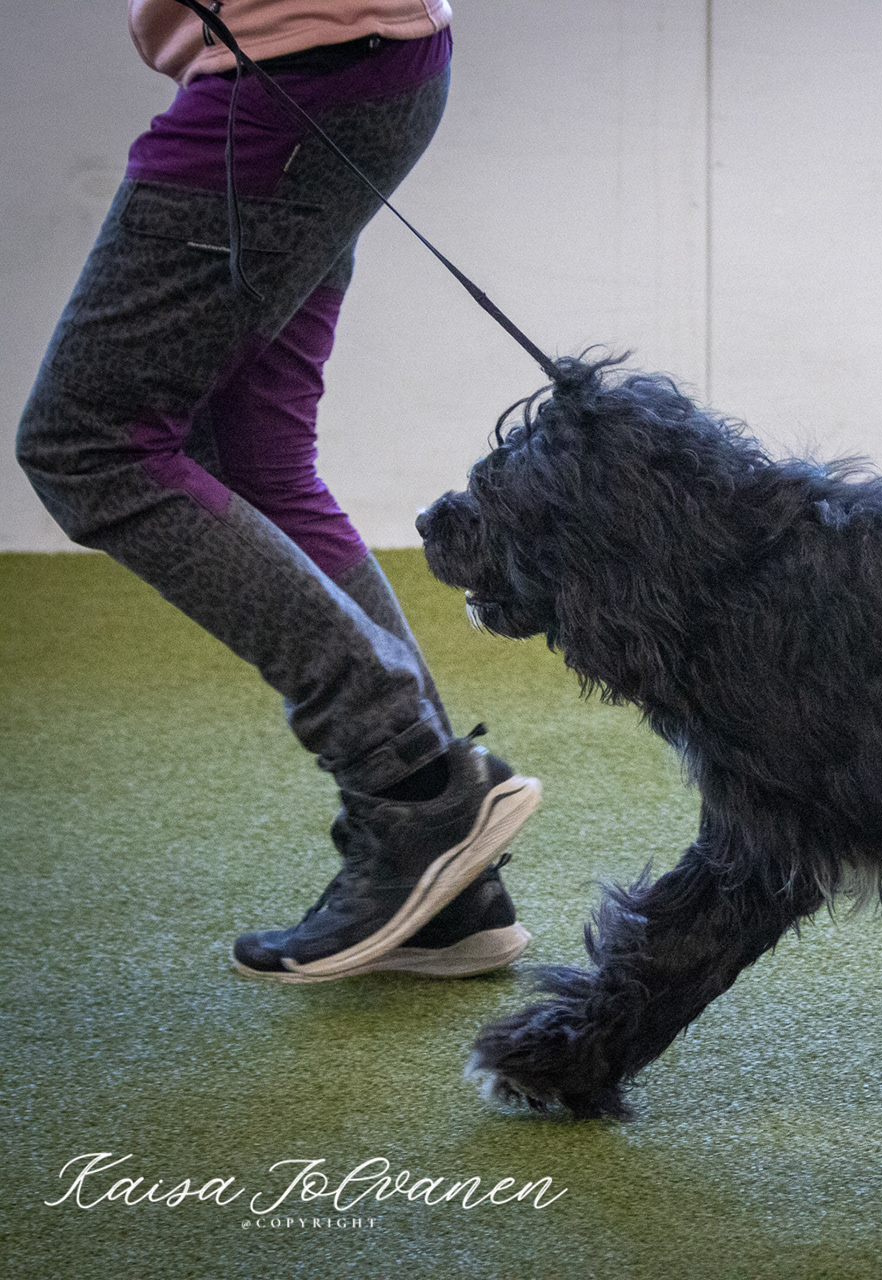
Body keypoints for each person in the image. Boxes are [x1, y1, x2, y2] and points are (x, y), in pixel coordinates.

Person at [14, 0, 540, 982]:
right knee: (254, 456)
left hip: (292, 70)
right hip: (354, 64)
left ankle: (410, 779)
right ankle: (449, 899)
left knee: (85, 442)